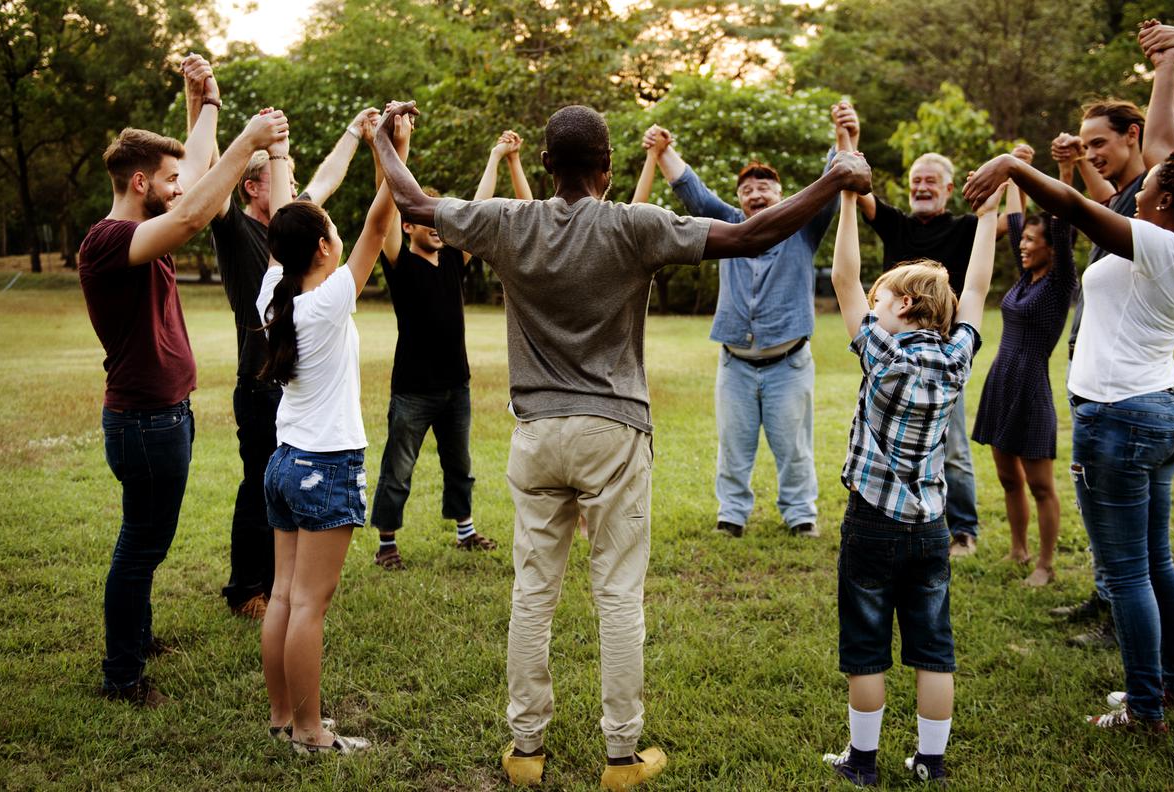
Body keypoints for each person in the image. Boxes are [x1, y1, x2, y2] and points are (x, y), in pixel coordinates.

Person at [373, 101, 872, 789]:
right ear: (608, 168)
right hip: (614, 432)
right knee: (617, 595)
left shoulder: (509, 222)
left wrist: (381, 137)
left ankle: (525, 751)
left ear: (546, 165)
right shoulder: (637, 226)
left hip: (538, 432)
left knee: (532, 594)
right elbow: (753, 236)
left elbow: (412, 201)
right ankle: (620, 756)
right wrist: (835, 177)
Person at [964, 36, 1174, 733]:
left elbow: (1072, 204)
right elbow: (1163, 140)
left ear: (1168, 206)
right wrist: (1172, 62)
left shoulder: (1155, 243)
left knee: (1126, 572)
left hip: (1120, 418)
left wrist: (1012, 165)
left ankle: (1146, 707)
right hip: (1162, 409)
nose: (1139, 185)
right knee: (1156, 562)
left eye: (1149, 187)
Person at [78, 82, 288, 706]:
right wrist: (249, 140)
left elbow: (197, 174)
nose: (180, 187)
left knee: (146, 539)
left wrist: (209, 107)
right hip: (144, 422)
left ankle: (137, 640)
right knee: (140, 544)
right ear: (140, 183)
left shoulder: (140, 225)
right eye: (168, 180)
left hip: (164, 416)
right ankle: (122, 677)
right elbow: (197, 209)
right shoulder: (108, 241)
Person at [820, 144, 1005, 786]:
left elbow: (844, 278)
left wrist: (847, 197)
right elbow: (977, 285)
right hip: (930, 526)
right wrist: (990, 214)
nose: (871, 306)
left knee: (866, 644)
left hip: (870, 522)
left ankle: (863, 763)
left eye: (881, 301)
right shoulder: (957, 359)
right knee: (934, 648)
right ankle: (930, 763)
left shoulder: (881, 353)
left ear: (903, 311)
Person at [181, 54, 381, 620]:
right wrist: (201, 105)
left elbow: (325, 179)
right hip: (260, 379)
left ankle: (281, 584)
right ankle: (247, 587)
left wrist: (351, 133)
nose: (292, 188)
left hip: (294, 378)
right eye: (277, 178)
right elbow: (204, 175)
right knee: (259, 484)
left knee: (283, 485)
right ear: (249, 186)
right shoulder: (232, 222)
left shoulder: (289, 237)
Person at [1046, 19, 1174, 648]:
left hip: (1125, 396)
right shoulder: (1139, 200)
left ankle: (1130, 648)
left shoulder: (1163, 192)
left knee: (1134, 551)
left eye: (1098, 142)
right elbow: (1106, 201)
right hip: (1119, 382)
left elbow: (1173, 130)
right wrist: (1080, 169)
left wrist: (1173, 58)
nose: (1090, 152)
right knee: (1133, 542)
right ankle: (1112, 604)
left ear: (1132, 136)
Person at [254, 109, 401, 754]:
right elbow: (378, 219)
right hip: (325, 465)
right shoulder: (331, 297)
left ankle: (284, 718)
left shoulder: (273, 292)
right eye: (329, 232)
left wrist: (287, 155)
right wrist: (392, 149)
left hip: (284, 463)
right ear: (321, 248)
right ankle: (311, 735)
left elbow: (298, 206)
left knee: (285, 594)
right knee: (310, 603)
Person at [643, 105, 855, 539]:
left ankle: (800, 516)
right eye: (747, 189)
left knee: (794, 447)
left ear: (780, 194)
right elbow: (692, 191)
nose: (756, 194)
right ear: (739, 198)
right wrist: (662, 150)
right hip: (735, 364)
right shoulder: (727, 226)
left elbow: (831, 184)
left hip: (788, 364)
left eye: (765, 186)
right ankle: (732, 516)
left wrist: (842, 136)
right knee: (733, 449)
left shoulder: (803, 228)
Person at [848, 105, 1015, 557]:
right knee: (888, 433)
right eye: (915, 181)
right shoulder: (898, 223)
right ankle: (906, 515)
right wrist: (848, 141)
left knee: (953, 446)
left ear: (946, 188)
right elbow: (857, 190)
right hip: (899, 347)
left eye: (930, 181)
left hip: (932, 351)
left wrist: (1014, 181)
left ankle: (962, 529)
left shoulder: (962, 227)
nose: (921, 187)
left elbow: (1005, 233)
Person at [371, 122, 534, 569]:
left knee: (459, 465)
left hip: (455, 387)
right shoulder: (399, 262)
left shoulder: (452, 262)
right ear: (408, 226)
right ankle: (387, 544)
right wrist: (381, 149)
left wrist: (495, 158)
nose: (438, 227)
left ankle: (465, 531)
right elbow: (381, 208)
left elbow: (478, 209)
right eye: (428, 220)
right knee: (398, 471)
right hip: (413, 389)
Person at [970, 147, 1078, 587]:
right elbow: (1017, 223)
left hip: (1031, 385)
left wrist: (1063, 170)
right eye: (1026, 242)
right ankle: (1018, 549)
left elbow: (1063, 217)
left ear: (1055, 249)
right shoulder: (1025, 275)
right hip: (1001, 380)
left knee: (1039, 484)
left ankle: (1046, 565)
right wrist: (1015, 175)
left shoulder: (1059, 282)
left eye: (1035, 242)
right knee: (1006, 476)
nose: (1025, 245)